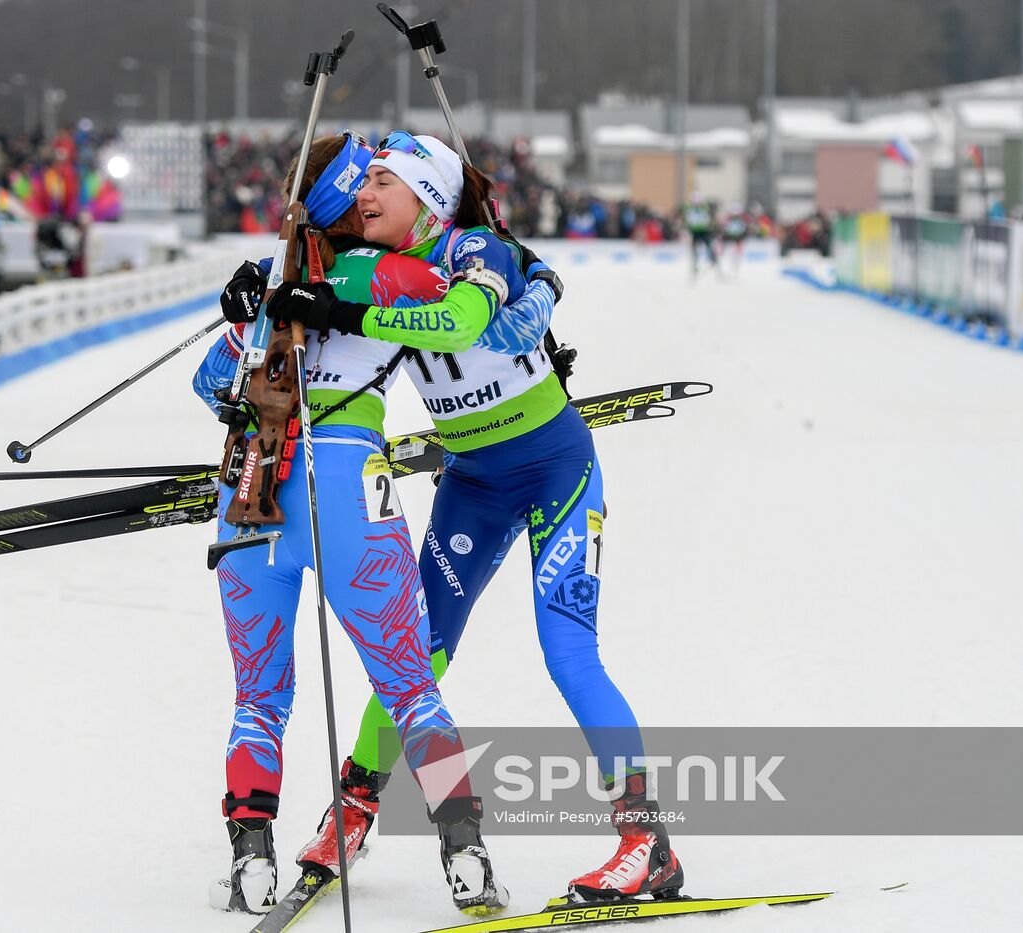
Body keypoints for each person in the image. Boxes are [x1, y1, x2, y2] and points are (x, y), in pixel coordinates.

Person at [265, 132, 684, 902]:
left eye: (384, 180)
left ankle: (646, 840)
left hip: (556, 472)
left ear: (425, 194)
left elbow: (458, 324)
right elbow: (306, 320)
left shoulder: (476, 248)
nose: (365, 192)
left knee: (569, 653)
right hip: (472, 484)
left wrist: (347, 310)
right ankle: (353, 810)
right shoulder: (367, 268)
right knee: (414, 655)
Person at [193, 133, 517, 918]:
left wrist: (244, 304)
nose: (373, 194)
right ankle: (466, 856)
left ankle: (251, 863)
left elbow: (212, 386)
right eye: (366, 181)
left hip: (249, 488)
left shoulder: (275, 278)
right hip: (347, 486)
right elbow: (466, 309)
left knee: (257, 697)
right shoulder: (397, 269)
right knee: (409, 686)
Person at [682, 196, 720, 279]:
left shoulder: (704, 209)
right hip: (695, 232)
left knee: (709, 247)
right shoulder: (690, 210)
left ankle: (713, 261)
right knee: (695, 250)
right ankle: (695, 265)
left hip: (704, 232)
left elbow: (709, 220)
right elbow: (688, 221)